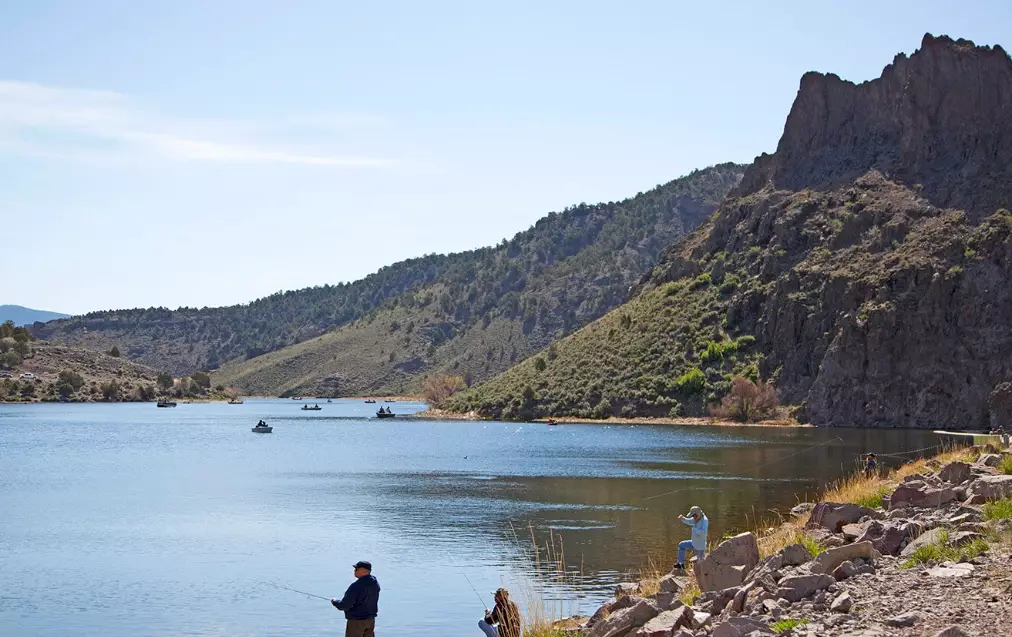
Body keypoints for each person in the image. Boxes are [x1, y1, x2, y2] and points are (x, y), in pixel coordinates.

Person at [331, 560, 380, 637]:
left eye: (356, 569)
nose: (354, 571)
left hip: (356, 622)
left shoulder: (356, 586)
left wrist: (335, 602)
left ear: (362, 570)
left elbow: (345, 605)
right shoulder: (374, 583)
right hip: (370, 621)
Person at [674, 506, 708, 570]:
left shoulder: (704, 521)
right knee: (681, 545)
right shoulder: (696, 518)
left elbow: (703, 533)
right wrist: (683, 519)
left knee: (701, 564)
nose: (693, 517)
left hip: (700, 546)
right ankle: (680, 564)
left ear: (697, 514)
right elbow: (690, 521)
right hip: (694, 542)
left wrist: (695, 529)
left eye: (693, 515)